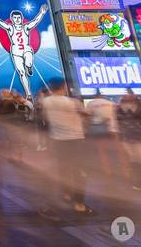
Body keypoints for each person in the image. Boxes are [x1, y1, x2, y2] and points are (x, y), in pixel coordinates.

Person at [39, 78, 92, 218]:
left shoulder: (46, 101)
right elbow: (87, 115)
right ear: (63, 86)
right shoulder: (72, 102)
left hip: (58, 141)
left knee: (62, 169)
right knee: (79, 172)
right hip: (75, 140)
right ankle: (79, 205)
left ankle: (66, 194)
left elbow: (44, 118)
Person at [0, 2, 48, 100]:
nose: (17, 20)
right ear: (12, 19)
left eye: (19, 18)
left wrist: (42, 12)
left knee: (29, 63)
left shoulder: (26, 27)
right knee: (22, 73)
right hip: (16, 52)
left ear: (21, 18)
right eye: (15, 18)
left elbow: (35, 21)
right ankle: (28, 94)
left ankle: (29, 67)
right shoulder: (10, 28)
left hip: (26, 49)